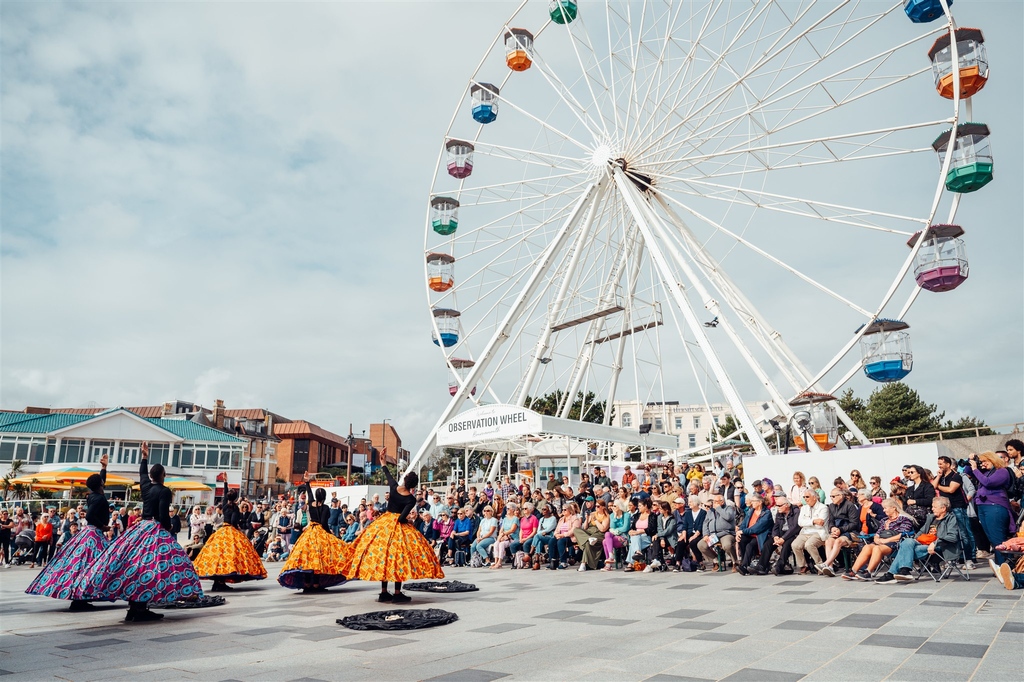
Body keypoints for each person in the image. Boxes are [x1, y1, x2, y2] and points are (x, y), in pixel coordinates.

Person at [77, 442, 202, 621]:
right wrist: (168, 527)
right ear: (163, 476)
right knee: (157, 566)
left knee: (137, 565)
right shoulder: (164, 491)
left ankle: (136, 606)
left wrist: (144, 457)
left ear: (151, 476)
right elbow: (162, 513)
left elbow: (142, 474)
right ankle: (141, 607)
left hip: (141, 528)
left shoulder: (145, 486)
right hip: (155, 529)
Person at [340, 467, 443, 603]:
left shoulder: (394, 487)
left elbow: (388, 474)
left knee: (384, 557)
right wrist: (409, 521)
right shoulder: (411, 499)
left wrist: (383, 462)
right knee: (398, 558)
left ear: (405, 480)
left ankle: (383, 592)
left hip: (384, 525)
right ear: (413, 486)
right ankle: (397, 592)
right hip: (398, 528)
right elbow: (401, 518)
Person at [26, 455, 113, 611]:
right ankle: (80, 598)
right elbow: (89, 515)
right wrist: (103, 527)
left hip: (89, 533)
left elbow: (100, 481)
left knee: (84, 565)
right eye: (102, 482)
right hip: (94, 533)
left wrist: (104, 468)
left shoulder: (93, 494)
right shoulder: (99, 499)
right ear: (100, 485)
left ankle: (80, 597)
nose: (103, 482)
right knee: (95, 565)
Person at [194, 477, 268, 592]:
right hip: (230, 530)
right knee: (229, 556)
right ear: (235, 498)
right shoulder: (235, 508)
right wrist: (237, 524)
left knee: (218, 556)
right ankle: (221, 582)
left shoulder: (224, 505)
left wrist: (225, 482)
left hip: (221, 529)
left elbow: (224, 495)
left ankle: (217, 582)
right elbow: (233, 521)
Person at [280, 474, 351, 592]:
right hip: (320, 532)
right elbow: (323, 523)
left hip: (309, 533)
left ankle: (307, 584)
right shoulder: (325, 508)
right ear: (324, 497)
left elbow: (310, 494)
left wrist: (307, 483)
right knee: (319, 559)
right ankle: (317, 584)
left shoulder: (311, 504)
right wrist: (330, 535)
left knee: (308, 558)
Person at [876, 496, 962, 583]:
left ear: (943, 508)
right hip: (924, 544)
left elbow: (952, 537)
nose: (932, 509)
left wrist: (935, 543)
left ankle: (892, 574)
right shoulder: (931, 518)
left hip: (940, 547)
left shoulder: (951, 519)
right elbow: (920, 532)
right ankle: (904, 571)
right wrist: (913, 541)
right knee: (907, 542)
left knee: (906, 549)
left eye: (934, 507)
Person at [840, 499, 914, 581]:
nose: (883, 510)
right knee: (867, 547)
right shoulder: (884, 520)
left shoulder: (904, 519)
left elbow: (902, 534)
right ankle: (854, 571)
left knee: (877, 548)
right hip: (881, 541)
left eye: (885, 508)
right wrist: (876, 539)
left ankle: (868, 571)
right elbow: (878, 533)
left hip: (894, 543)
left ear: (893, 508)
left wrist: (885, 541)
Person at [966, 451, 1017, 566]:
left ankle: (1005, 565)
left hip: (995, 507)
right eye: (982, 462)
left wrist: (975, 469)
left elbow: (988, 483)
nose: (982, 464)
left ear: (993, 460)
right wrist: (971, 461)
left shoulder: (1002, 471)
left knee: (998, 538)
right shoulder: (987, 472)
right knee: (992, 538)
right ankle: (1002, 565)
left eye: (985, 461)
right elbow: (967, 472)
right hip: (984, 507)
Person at [935, 455, 975, 568]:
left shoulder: (956, 476)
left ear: (947, 464)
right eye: (938, 464)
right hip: (946, 509)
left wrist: (938, 486)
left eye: (941, 464)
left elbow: (951, 489)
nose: (939, 466)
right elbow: (933, 486)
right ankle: (954, 558)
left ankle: (969, 559)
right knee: (951, 534)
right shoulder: (940, 476)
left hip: (958, 507)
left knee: (963, 534)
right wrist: (938, 478)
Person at [817, 488, 860, 577]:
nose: (831, 498)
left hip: (850, 532)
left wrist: (841, 530)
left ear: (840, 496)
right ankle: (831, 567)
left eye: (833, 496)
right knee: (828, 541)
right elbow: (830, 521)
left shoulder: (850, 505)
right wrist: (832, 528)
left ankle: (826, 564)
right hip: (838, 530)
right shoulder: (832, 506)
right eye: (830, 496)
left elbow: (854, 524)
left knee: (838, 541)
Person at [791, 490, 828, 575]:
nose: (805, 499)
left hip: (818, 532)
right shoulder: (804, 508)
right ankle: (803, 565)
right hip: (805, 532)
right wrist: (814, 521)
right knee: (795, 545)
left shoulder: (823, 507)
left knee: (809, 544)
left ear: (814, 498)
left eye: (807, 497)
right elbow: (800, 523)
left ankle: (820, 565)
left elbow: (820, 524)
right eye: (804, 497)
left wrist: (808, 522)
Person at [699, 494, 737, 571]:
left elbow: (728, 517)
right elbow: (705, 523)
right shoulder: (710, 511)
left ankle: (735, 562)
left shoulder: (728, 508)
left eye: (716, 501)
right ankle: (716, 560)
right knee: (701, 545)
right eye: (714, 501)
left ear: (722, 502)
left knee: (727, 545)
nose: (714, 503)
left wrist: (719, 509)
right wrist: (706, 534)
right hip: (713, 535)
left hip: (726, 533)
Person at [575, 500, 610, 571]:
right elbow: (585, 527)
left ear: (603, 507)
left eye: (598, 506)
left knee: (587, 544)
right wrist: (587, 518)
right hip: (589, 533)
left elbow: (602, 529)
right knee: (576, 530)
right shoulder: (593, 514)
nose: (596, 508)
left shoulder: (606, 517)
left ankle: (583, 564)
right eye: (596, 506)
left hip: (599, 534)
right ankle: (589, 538)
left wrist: (595, 520)